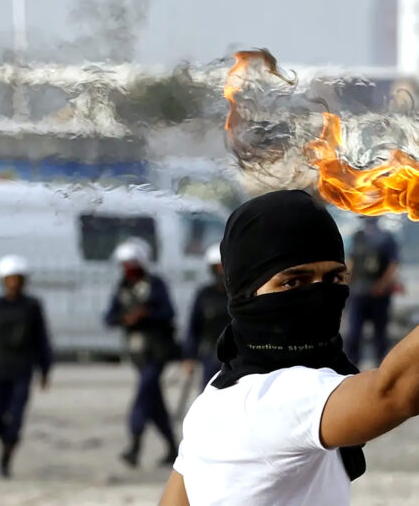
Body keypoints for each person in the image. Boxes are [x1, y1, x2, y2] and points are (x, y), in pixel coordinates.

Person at [160, 190, 419, 506]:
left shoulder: (215, 397)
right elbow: (395, 392)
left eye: (334, 278)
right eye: (293, 282)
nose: (319, 296)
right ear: (245, 291)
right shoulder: (275, 397)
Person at [0, 254, 53, 478]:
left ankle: (6, 456)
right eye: (9, 279)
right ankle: (5, 439)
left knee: (16, 416)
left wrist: (45, 369)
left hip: (23, 370)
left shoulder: (32, 306)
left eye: (17, 279)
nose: (13, 283)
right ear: (3, 281)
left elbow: (42, 339)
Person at [105, 238, 178, 468]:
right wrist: (124, 319)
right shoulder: (122, 287)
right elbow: (109, 317)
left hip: (157, 351)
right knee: (154, 401)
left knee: (143, 395)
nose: (128, 269)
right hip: (136, 353)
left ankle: (134, 445)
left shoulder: (156, 284)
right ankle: (172, 448)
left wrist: (147, 315)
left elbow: (169, 313)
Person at [346, 216, 399, 366]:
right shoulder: (358, 236)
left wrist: (382, 285)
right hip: (358, 293)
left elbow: (393, 264)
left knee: (380, 334)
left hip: (379, 294)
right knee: (354, 332)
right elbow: (352, 261)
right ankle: (351, 366)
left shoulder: (387, 238)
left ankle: (381, 367)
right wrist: (345, 281)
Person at [183, 244, 228, 389]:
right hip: (211, 356)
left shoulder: (241, 293)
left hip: (239, 357)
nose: (221, 272)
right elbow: (193, 326)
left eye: (224, 267)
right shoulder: (204, 295)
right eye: (217, 268)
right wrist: (189, 356)